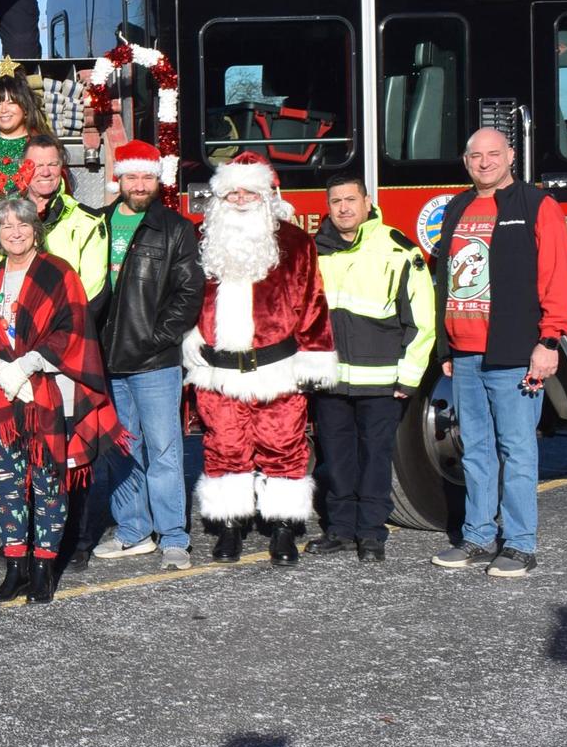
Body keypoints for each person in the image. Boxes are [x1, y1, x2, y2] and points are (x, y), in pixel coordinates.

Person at [429, 128, 567, 578]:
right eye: (476, 155)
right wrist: (445, 346)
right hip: (466, 354)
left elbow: (556, 277)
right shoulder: (457, 206)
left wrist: (549, 342)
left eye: (494, 154)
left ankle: (519, 546)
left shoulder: (536, 206)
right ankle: (475, 537)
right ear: (466, 160)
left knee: (516, 450)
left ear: (511, 156)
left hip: (514, 353)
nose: (485, 162)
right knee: (475, 450)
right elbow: (445, 279)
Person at [183, 152, 337, 566]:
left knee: (283, 446)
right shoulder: (202, 239)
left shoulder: (294, 242)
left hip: (277, 369)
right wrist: (189, 338)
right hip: (219, 370)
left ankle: (283, 528)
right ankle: (229, 527)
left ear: (265, 194)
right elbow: (184, 299)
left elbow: (312, 303)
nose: (239, 198)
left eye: (248, 190)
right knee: (224, 447)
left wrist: (315, 355)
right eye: (231, 190)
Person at [0, 198, 118, 604]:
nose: (15, 232)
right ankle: (15, 566)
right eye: (6, 227)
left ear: (35, 230)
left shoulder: (59, 274)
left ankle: (44, 568)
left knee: (48, 481)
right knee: (6, 484)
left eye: (23, 225)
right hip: (4, 396)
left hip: (49, 392)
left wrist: (29, 363)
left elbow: (73, 328)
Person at [308, 176, 436, 561]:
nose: (344, 208)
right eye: (336, 201)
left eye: (351, 199)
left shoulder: (398, 249)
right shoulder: (315, 251)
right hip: (329, 380)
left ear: (367, 202)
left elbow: (422, 318)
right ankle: (341, 530)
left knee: (375, 459)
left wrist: (409, 377)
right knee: (336, 459)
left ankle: (372, 534)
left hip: (381, 380)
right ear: (327, 207)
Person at [92, 141, 204, 571]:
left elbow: (188, 292)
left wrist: (159, 337)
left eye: (148, 177)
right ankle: (133, 531)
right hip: (107, 359)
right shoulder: (97, 224)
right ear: (119, 178)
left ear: (159, 180)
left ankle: (173, 535)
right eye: (132, 177)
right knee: (121, 449)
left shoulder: (173, 228)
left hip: (155, 360)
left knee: (163, 450)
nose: (140, 186)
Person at [0, 134, 108, 307]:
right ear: (22, 167)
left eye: (53, 164)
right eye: (38, 165)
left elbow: (91, 292)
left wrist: (51, 323)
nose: (46, 172)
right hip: (0, 325)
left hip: (62, 326)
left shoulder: (88, 222)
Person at [0, 74, 55, 220]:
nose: (3, 110)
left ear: (25, 108)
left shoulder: (41, 145)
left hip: (27, 229)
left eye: (11, 103)